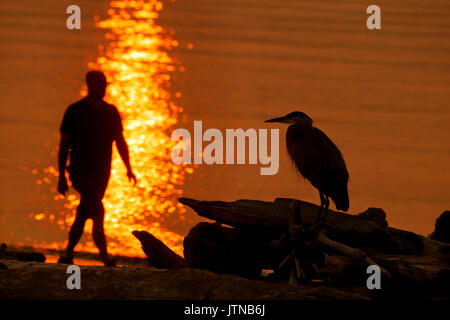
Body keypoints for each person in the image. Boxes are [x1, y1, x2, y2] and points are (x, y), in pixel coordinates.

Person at [57, 70, 136, 266]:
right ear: (89, 85)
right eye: (98, 84)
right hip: (79, 171)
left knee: (84, 212)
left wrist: (129, 168)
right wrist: (61, 176)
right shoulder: (74, 111)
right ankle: (104, 257)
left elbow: (120, 142)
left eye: (104, 84)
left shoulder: (111, 112)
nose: (102, 87)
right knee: (97, 212)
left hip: (102, 173)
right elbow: (64, 145)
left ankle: (67, 255)